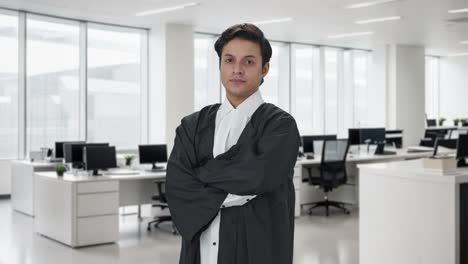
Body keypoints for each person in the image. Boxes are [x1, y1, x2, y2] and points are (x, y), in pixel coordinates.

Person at [166, 23, 300, 264]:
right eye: (229, 60)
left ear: (265, 69)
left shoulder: (281, 126)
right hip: (201, 249)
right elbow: (178, 189)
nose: (237, 69)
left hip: (259, 248)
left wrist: (200, 176)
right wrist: (235, 185)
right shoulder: (192, 125)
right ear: (220, 66)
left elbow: (256, 177)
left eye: (248, 62)